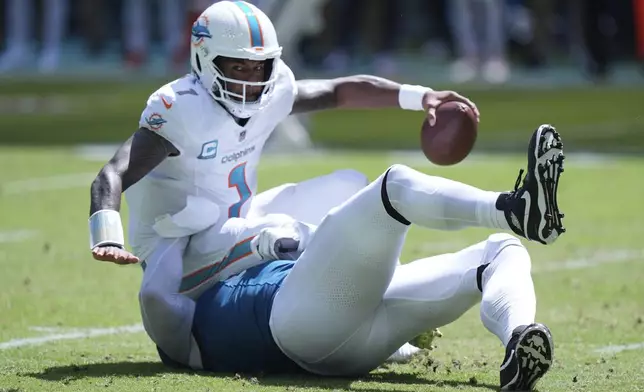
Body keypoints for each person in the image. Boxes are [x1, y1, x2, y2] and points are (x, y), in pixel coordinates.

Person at [87, 0, 479, 371]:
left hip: (237, 216)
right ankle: (381, 307)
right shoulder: (180, 108)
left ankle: (378, 295)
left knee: (350, 184)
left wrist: (420, 96)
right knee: (274, 241)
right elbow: (112, 174)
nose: (252, 79)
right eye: (238, 67)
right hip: (180, 242)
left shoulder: (272, 90)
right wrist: (106, 235)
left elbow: (339, 90)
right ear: (205, 60)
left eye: (259, 67)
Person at [188, 124, 566, 391]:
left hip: (350, 345)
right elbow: (161, 299)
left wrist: (401, 346)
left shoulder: (221, 268)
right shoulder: (189, 292)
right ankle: (515, 209)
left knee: (500, 251)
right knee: (394, 187)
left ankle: (517, 337)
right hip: (298, 321)